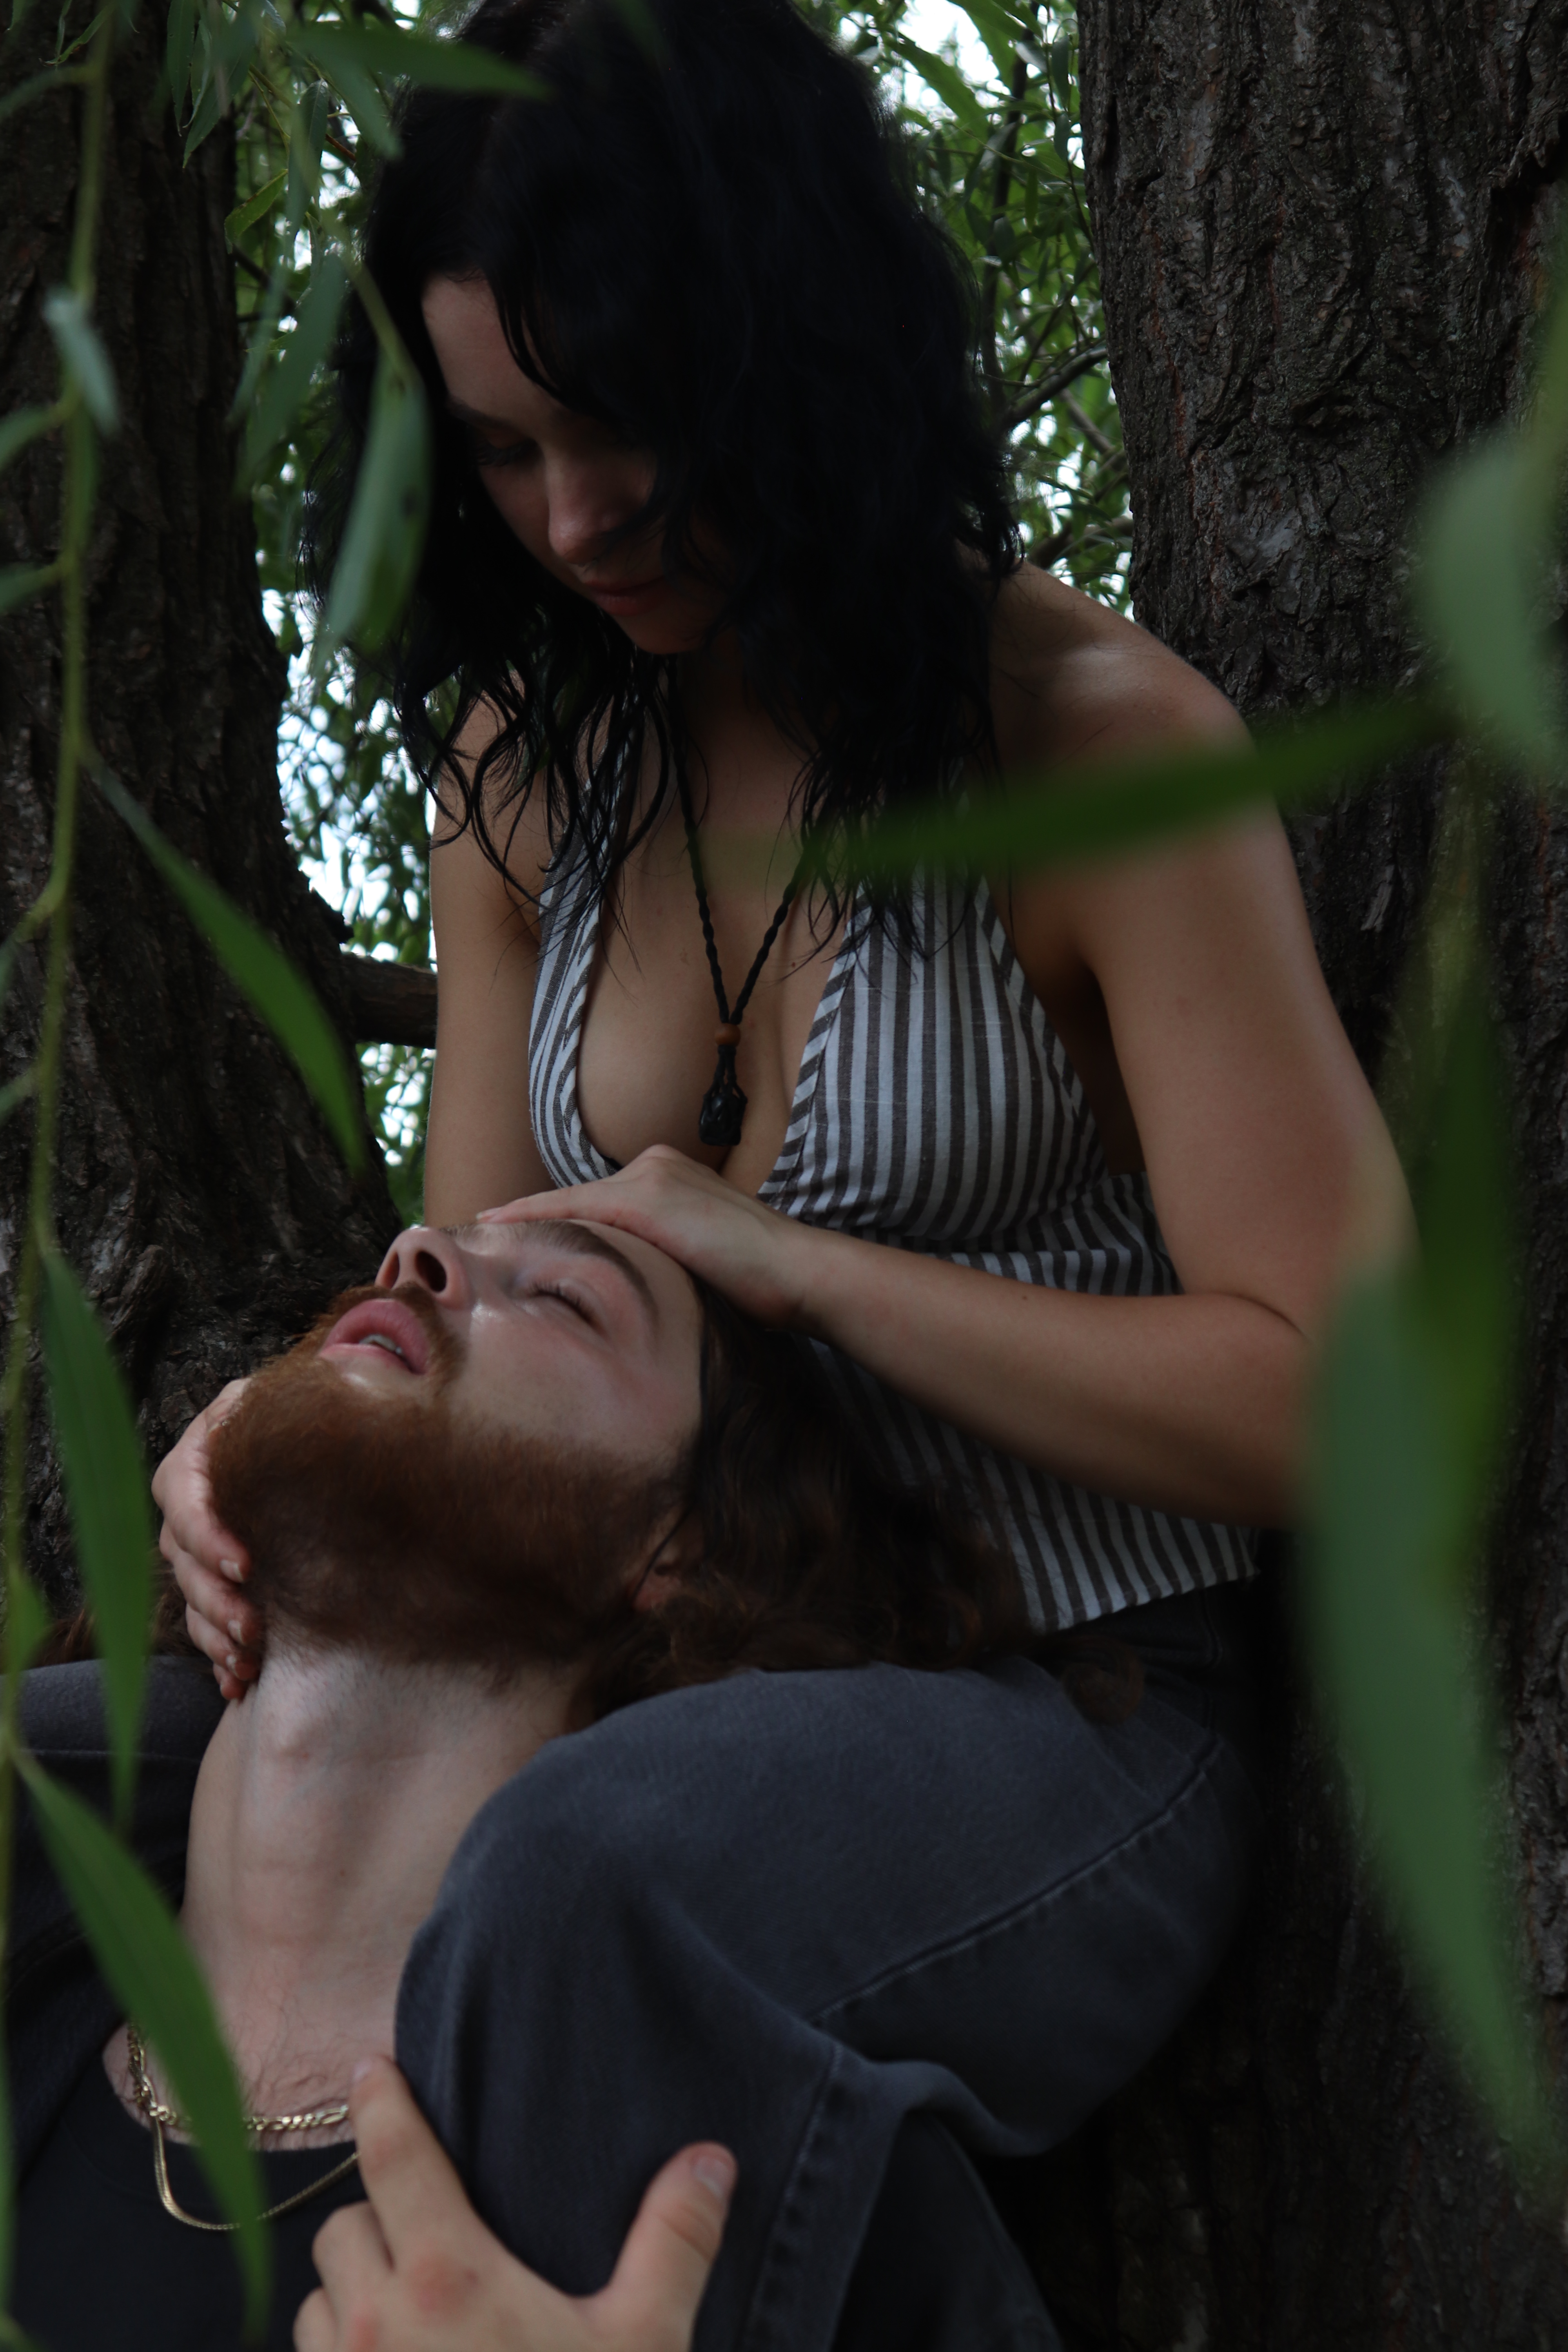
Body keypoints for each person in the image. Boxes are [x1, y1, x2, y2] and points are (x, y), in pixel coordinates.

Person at [142, 0, 1411, 2341]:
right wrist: (259, 1453)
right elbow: (470, 1285)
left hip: (1069, 1697)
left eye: (627, 423)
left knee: (595, 1881)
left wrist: (797, 1268)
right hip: (644, 1647)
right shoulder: (526, 777)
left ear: (801, 354)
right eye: (503, 448)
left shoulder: (1094, 747)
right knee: (69, 1769)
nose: (573, 520)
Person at [12, 1215, 1037, 2352]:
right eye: (426, 1244)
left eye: (565, 1299)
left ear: (680, 1549)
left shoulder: (762, 2191)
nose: (413, 1255)